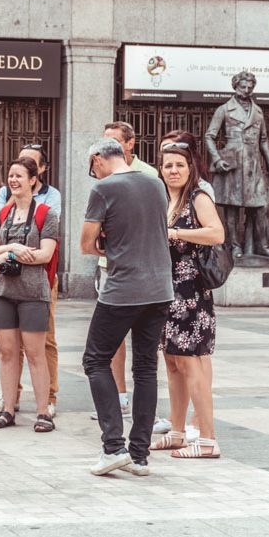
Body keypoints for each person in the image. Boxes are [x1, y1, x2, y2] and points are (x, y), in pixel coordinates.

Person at [81, 137, 173, 477]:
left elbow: (86, 244)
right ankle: (140, 455)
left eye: (93, 168)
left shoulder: (104, 189)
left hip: (123, 289)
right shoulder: (155, 183)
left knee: (95, 359)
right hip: (160, 287)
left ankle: (113, 447)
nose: (95, 174)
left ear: (98, 159)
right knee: (146, 367)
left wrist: (108, 247)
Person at [151, 142, 224, 459]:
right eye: (168, 165)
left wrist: (178, 234)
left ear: (191, 168)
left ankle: (208, 439)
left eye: (179, 164)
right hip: (166, 294)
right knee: (173, 364)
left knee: (191, 365)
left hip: (191, 293)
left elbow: (216, 233)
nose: (173, 170)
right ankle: (178, 431)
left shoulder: (198, 198)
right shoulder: (165, 200)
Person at [0, 142, 62, 418]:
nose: (13, 180)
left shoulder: (46, 214)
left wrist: (8, 255)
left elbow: (45, 254)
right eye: (11, 175)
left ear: (33, 180)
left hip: (33, 292)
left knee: (35, 353)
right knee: (7, 353)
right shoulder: (1, 213)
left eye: (19, 176)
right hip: (2, 291)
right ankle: (8, 409)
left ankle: (43, 411)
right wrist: (15, 249)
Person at [95, 121, 159, 420]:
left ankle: (122, 437)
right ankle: (118, 395)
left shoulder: (150, 176)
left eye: (114, 142)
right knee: (114, 342)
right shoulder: (102, 178)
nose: (107, 148)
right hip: (111, 266)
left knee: (142, 359)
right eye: (104, 142)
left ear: (129, 144)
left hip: (141, 274)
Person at [205, 71, 269, 259]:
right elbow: (209, 136)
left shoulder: (258, 111)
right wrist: (217, 159)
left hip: (253, 166)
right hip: (233, 164)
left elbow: (263, 140)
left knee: (262, 206)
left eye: (250, 87)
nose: (246, 90)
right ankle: (234, 246)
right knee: (233, 208)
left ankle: (263, 245)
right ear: (235, 86)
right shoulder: (224, 109)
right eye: (243, 87)